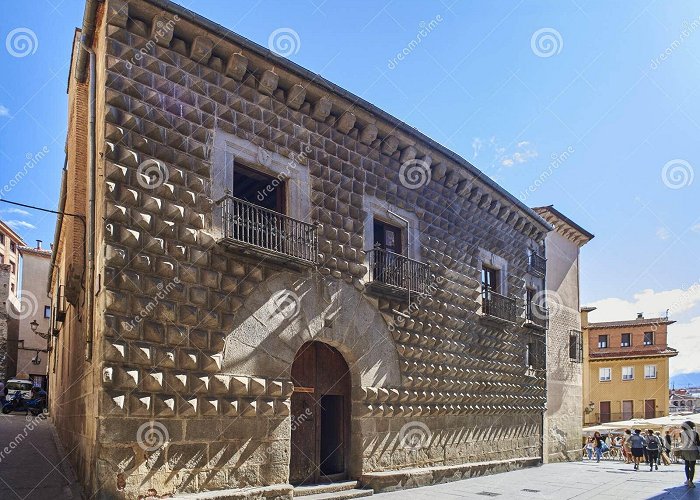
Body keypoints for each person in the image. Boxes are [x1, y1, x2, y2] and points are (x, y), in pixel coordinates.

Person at [679, 421, 700, 488]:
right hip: (693, 450)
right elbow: (698, 443)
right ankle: (691, 481)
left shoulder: (681, 433)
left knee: (686, 465)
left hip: (685, 450)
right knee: (692, 466)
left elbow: (682, 442)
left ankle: (687, 479)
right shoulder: (695, 433)